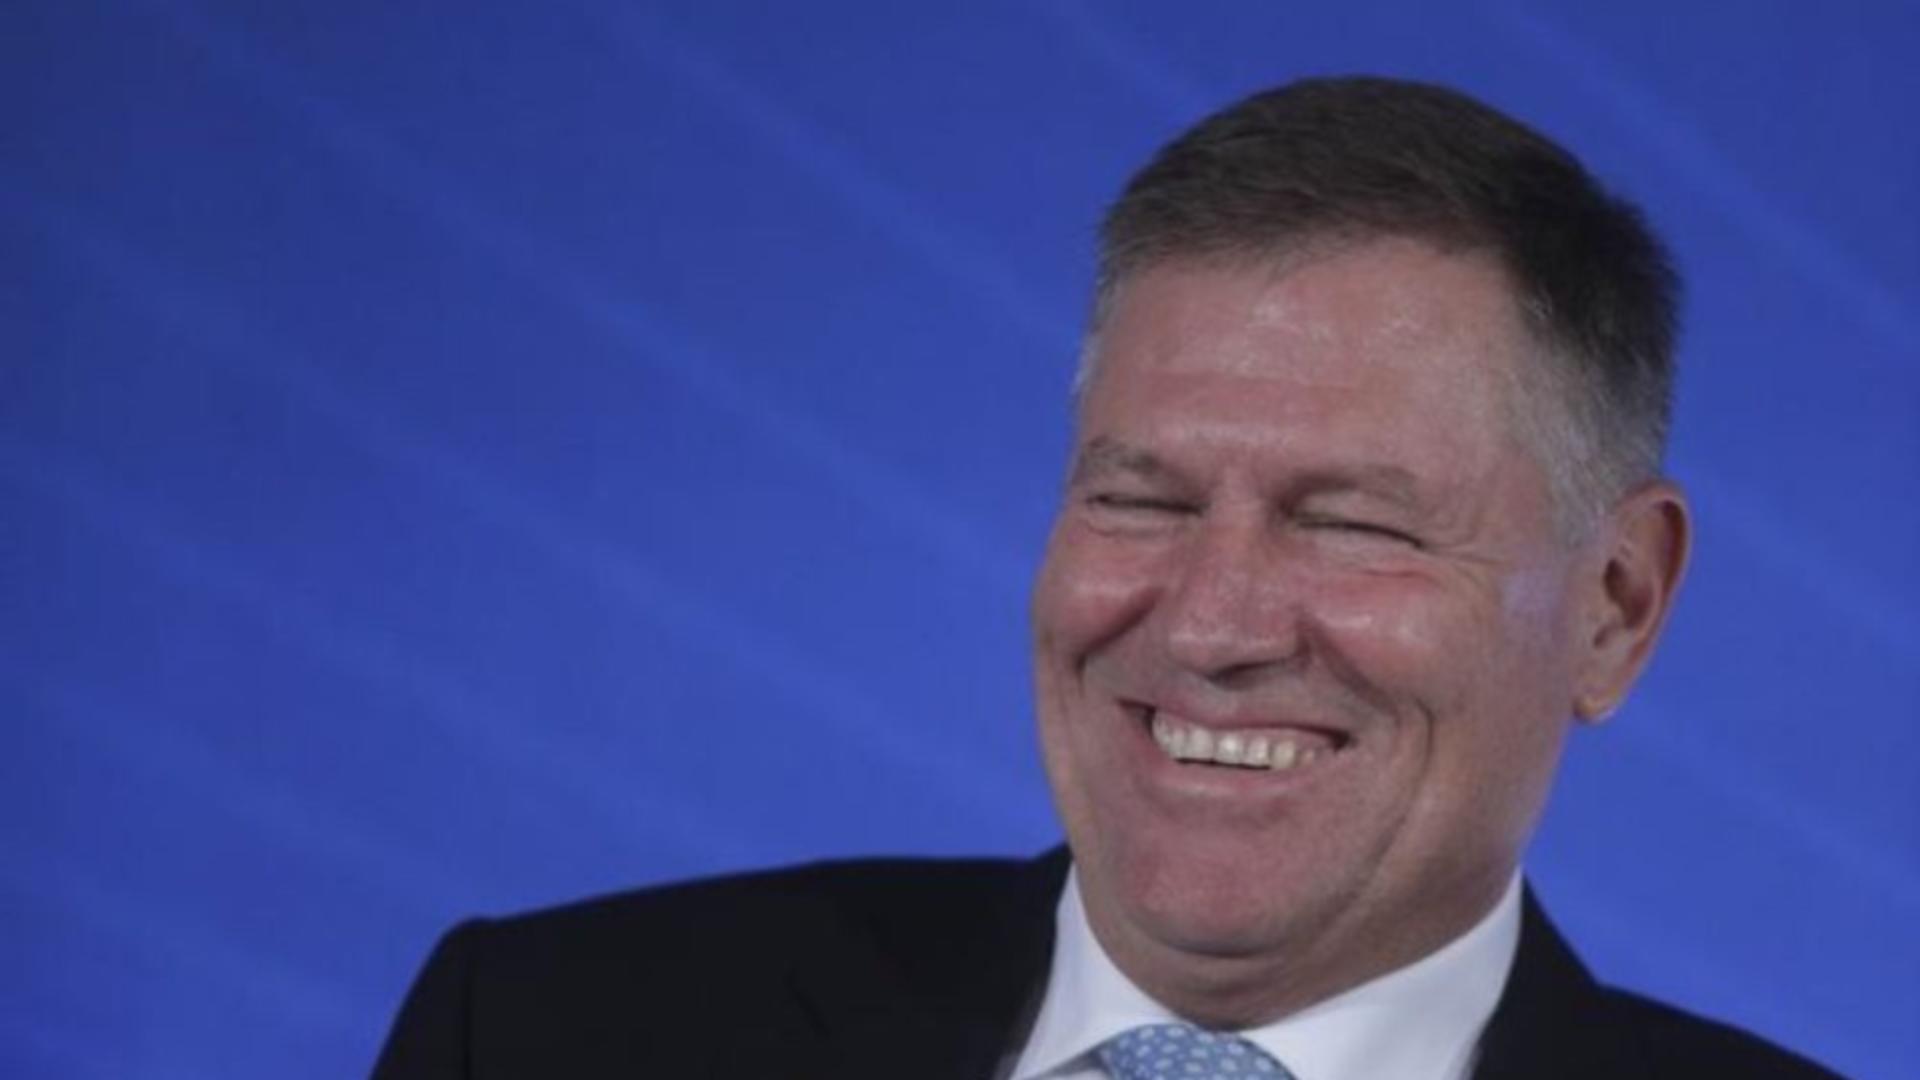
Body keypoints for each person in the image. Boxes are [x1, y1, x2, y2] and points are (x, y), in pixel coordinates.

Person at [371, 76, 1842, 1079]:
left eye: (1352, 525)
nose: (1208, 623)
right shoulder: (544, 1036)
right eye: (1141, 499)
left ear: (1615, 606)